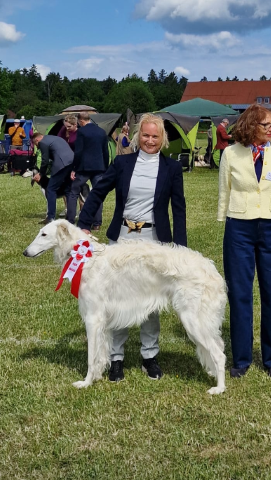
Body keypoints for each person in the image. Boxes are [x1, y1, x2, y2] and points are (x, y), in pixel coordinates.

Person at [77, 113, 187, 383]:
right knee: (117, 300)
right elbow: (98, 191)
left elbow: (179, 208)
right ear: (138, 136)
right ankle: (116, 358)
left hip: (154, 241)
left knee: (152, 300)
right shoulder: (122, 163)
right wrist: (84, 224)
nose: (150, 140)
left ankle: (150, 356)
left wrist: (181, 248)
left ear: (163, 139)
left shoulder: (172, 168)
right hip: (123, 238)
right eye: (145, 135)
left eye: (155, 136)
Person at [218, 104, 271, 379]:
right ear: (250, 126)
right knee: (239, 293)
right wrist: (225, 218)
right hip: (239, 227)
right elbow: (224, 189)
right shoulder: (230, 153)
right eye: (265, 125)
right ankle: (241, 357)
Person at [68, 112, 110, 229]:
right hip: (99, 167)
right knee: (97, 193)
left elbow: (78, 152)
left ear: (81, 121)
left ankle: (70, 221)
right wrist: (105, 167)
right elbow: (106, 151)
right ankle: (97, 223)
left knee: (73, 192)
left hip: (84, 167)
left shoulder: (81, 132)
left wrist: (74, 168)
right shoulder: (102, 131)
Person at [30, 133, 74, 225]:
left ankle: (50, 217)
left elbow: (45, 160)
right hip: (72, 163)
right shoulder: (55, 138)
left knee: (50, 189)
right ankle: (70, 218)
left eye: (35, 144)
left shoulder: (42, 142)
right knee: (68, 190)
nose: (37, 147)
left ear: (37, 140)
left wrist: (41, 174)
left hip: (61, 165)